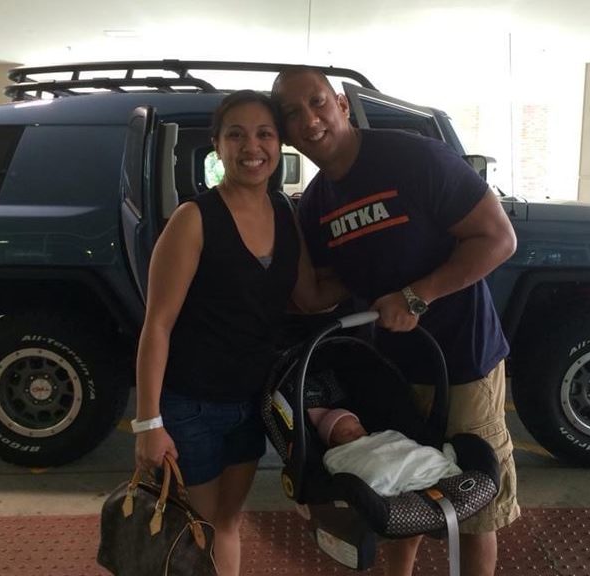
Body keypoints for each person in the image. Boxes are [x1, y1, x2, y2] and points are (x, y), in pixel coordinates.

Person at [272, 67, 519, 576]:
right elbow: (318, 294)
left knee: (472, 507)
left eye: (317, 103)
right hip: (389, 372)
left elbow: (498, 238)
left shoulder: (411, 157)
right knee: (396, 492)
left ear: (341, 103)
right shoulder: (317, 202)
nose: (309, 120)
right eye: (292, 114)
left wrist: (416, 296)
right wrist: (279, 217)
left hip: (462, 362)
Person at [133, 90, 345, 576]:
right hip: (192, 405)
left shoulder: (285, 215)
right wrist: (149, 424)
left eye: (265, 134)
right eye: (237, 135)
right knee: (200, 527)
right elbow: (157, 324)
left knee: (227, 520)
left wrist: (382, 276)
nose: (253, 147)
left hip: (253, 402)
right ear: (217, 146)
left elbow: (310, 296)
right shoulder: (194, 219)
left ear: (279, 145)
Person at [308, 407, 463, 497]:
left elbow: (397, 444)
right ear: (334, 444)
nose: (357, 434)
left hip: (406, 458)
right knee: (379, 471)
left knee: (423, 454)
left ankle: (431, 467)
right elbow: (337, 466)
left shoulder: (380, 436)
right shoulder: (338, 454)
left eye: (357, 427)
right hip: (376, 468)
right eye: (347, 433)